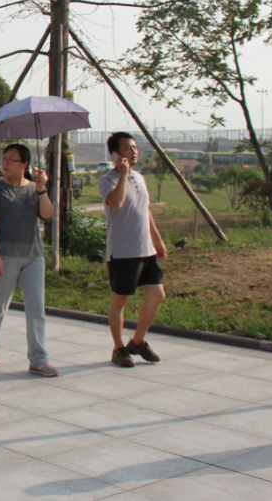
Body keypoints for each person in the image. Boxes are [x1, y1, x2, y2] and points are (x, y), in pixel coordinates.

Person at [0, 144, 58, 376]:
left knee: (36, 309)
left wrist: (42, 188)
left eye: (11, 159)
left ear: (24, 164)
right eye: (4, 158)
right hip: (4, 255)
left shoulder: (35, 188)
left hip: (33, 256)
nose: (5, 163)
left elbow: (47, 215)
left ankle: (38, 359)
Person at [100, 132, 168, 368]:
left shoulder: (139, 177)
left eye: (135, 147)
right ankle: (119, 348)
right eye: (128, 148)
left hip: (146, 250)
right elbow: (117, 203)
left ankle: (137, 342)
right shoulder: (108, 180)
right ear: (115, 154)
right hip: (123, 252)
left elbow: (144, 210)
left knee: (157, 295)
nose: (134, 151)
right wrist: (123, 173)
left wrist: (157, 240)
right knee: (120, 300)